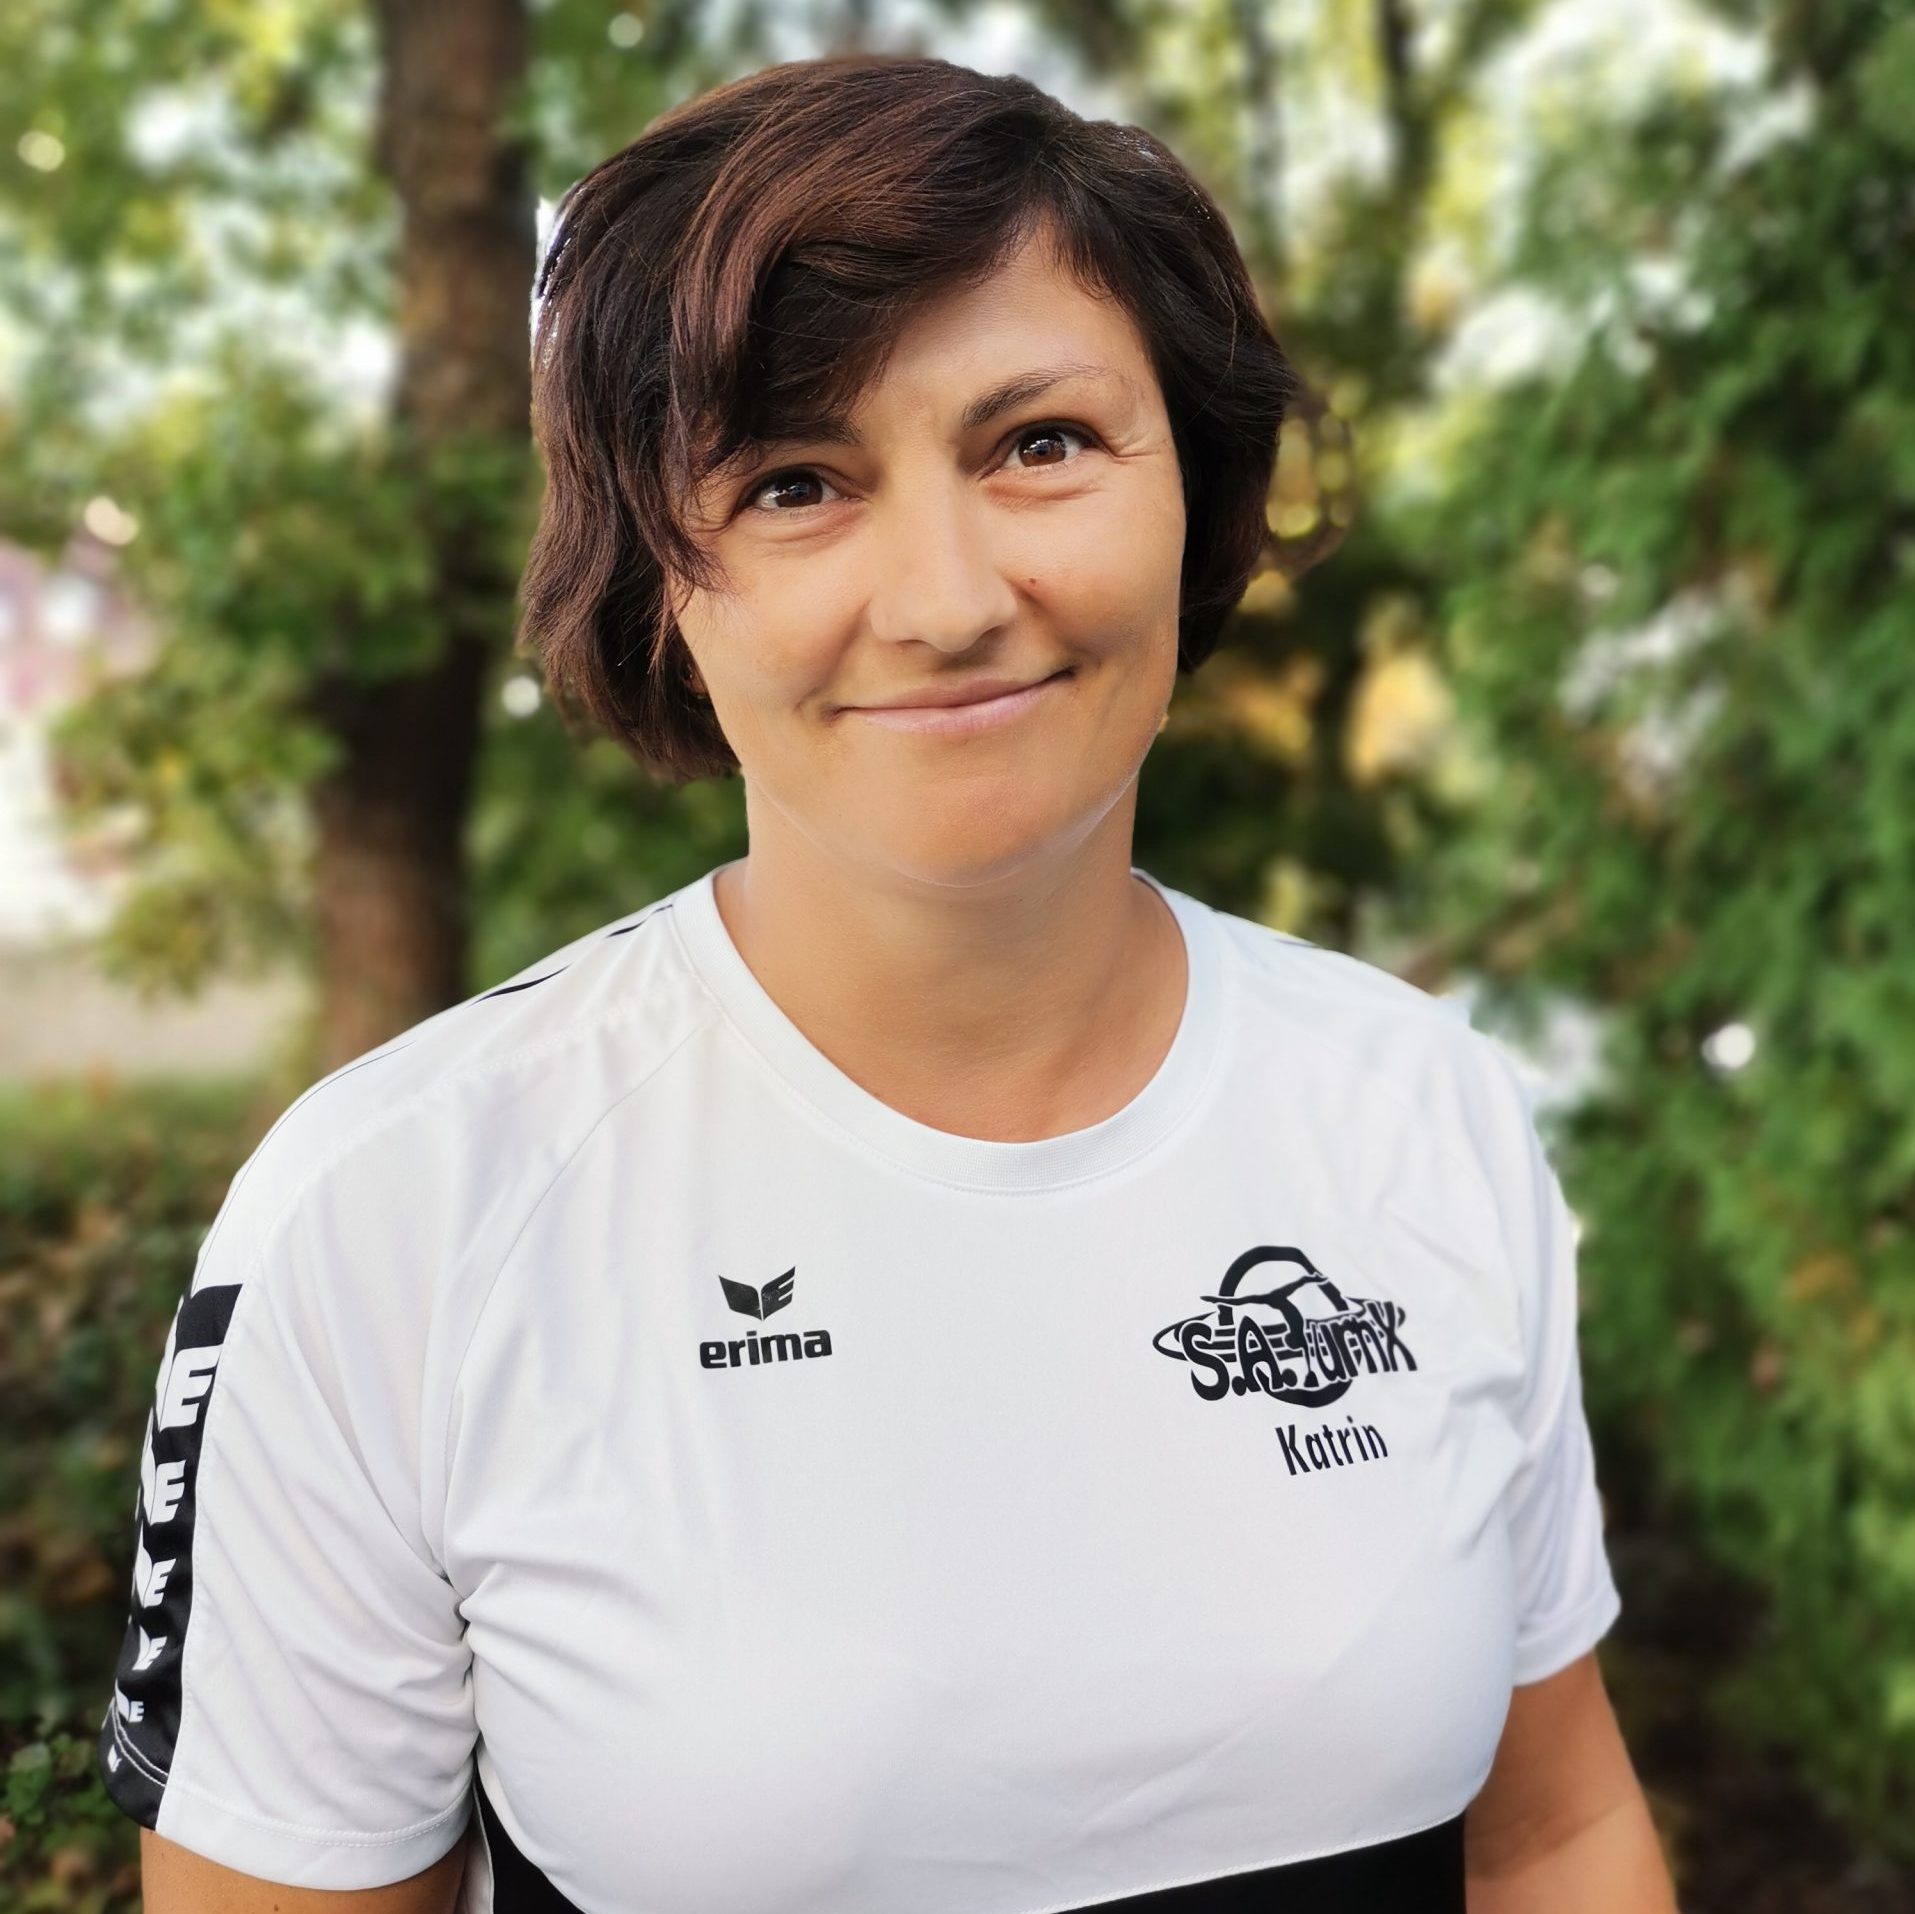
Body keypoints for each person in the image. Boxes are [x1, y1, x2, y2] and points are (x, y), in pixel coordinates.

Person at [99, 51, 1679, 1914]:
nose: (947, 599)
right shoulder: (396, 1212)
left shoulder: (1420, 1105)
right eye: (793, 481)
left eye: (1041, 443)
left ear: (1199, 485)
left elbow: (1554, 1833)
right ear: (659, 587)